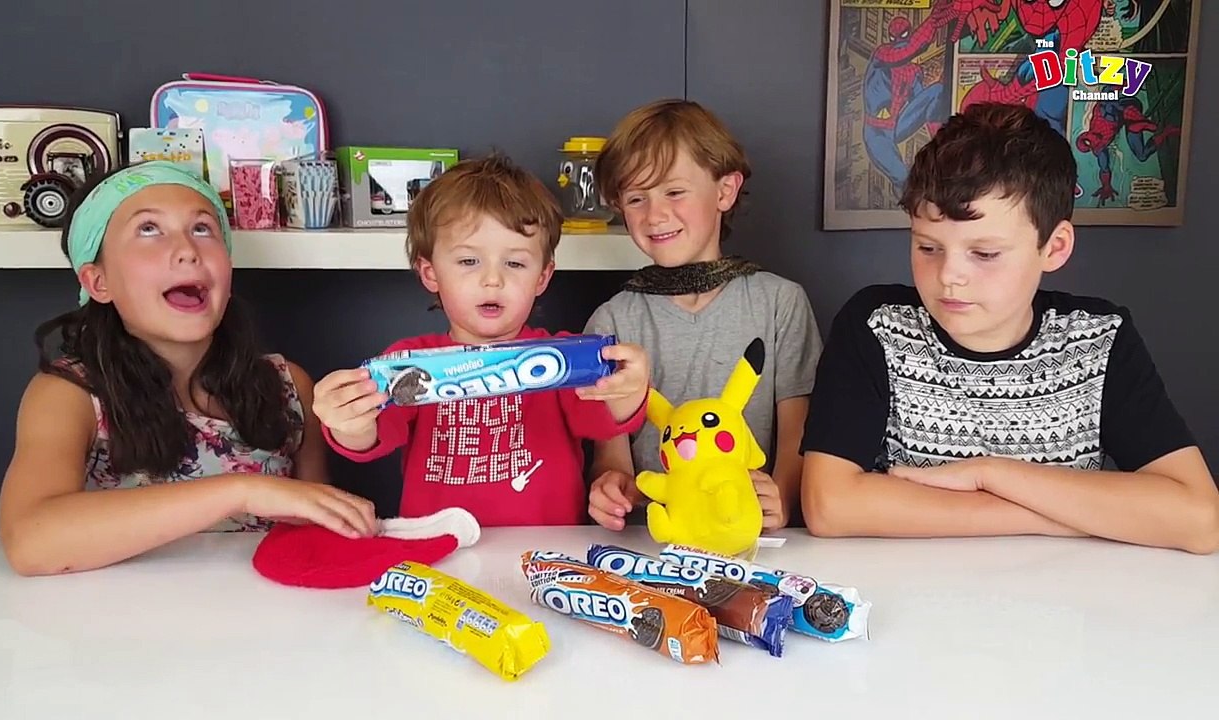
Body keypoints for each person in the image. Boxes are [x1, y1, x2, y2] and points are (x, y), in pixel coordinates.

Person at [800, 101, 1219, 554]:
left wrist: (991, 473)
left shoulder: (1098, 339)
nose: (948, 276)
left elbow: (1199, 518)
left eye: (984, 254)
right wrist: (1066, 515)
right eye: (927, 247)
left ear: (1054, 248)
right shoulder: (877, 326)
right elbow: (830, 504)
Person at [0, 162, 379, 576]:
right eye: (148, 229)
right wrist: (242, 491)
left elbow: (315, 533)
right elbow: (29, 542)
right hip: (118, 630)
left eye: (202, 229)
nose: (187, 249)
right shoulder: (68, 393)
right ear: (98, 281)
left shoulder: (288, 386)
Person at [312, 154, 650, 527]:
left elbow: (604, 421)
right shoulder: (407, 362)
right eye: (469, 262)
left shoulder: (564, 358)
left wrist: (629, 390)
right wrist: (350, 421)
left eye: (515, 263)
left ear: (542, 276)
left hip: (545, 553)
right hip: (439, 554)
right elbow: (372, 438)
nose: (493, 280)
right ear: (430, 273)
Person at [582, 99, 823, 532]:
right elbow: (610, 455)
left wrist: (783, 496)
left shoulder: (779, 303)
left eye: (674, 191)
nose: (655, 215)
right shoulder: (610, 321)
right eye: (636, 198)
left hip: (749, 532)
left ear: (725, 191)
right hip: (654, 537)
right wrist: (613, 488)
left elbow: (798, 436)